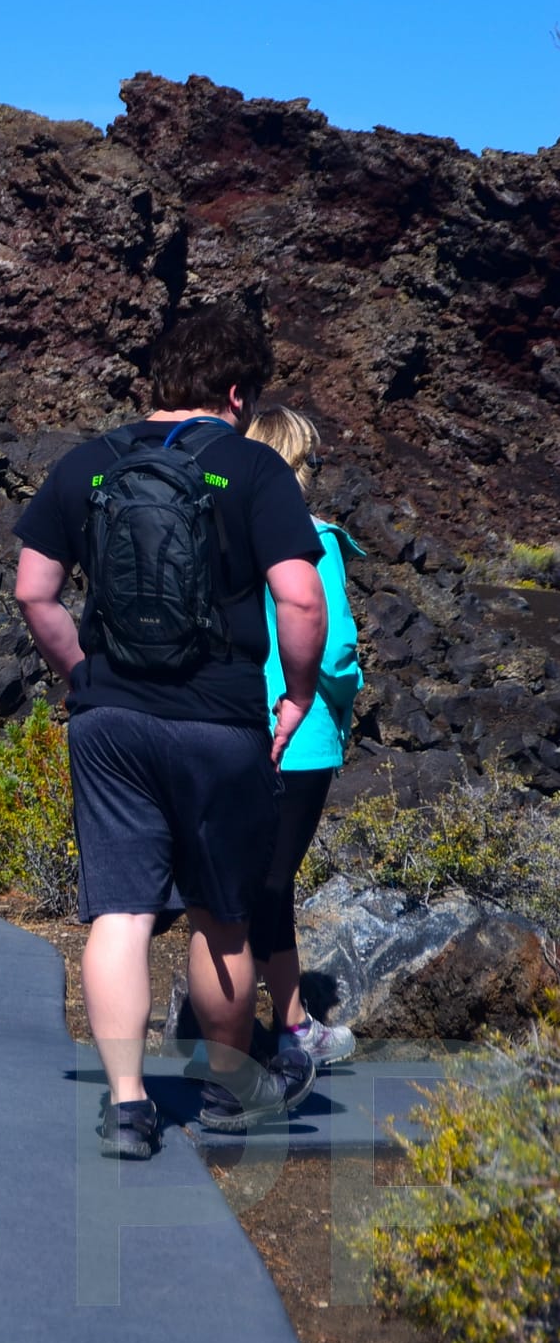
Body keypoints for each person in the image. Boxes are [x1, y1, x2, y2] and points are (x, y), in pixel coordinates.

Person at [11, 308, 328, 1159]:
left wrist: (83, 675)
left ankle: (125, 1104)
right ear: (235, 391)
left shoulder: (87, 463)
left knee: (119, 911)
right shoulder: (253, 469)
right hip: (219, 718)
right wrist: (293, 699)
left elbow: (33, 591)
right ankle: (225, 1092)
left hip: (109, 719)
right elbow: (300, 598)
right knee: (217, 917)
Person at [246, 405, 364, 1065]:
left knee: (256, 880)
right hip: (302, 731)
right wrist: (346, 703)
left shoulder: (227, 531)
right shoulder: (312, 538)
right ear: (294, 463)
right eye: (312, 460)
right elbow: (335, 649)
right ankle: (291, 1030)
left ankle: (284, 1020)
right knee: (271, 879)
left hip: (232, 722)